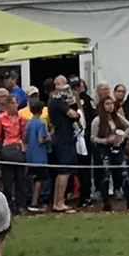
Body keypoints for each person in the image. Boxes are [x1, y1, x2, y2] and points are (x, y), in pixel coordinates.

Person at [90, 97, 129, 212]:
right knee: (106, 175)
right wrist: (106, 140)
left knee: (124, 173)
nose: (110, 106)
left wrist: (122, 136)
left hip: (117, 147)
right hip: (103, 149)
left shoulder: (118, 118)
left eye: (111, 104)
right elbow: (93, 138)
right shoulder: (97, 120)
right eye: (107, 104)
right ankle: (107, 204)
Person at [47, 77, 80, 213]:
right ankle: (59, 202)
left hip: (64, 137)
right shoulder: (56, 101)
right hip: (63, 139)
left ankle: (58, 201)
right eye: (63, 84)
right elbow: (73, 114)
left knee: (64, 170)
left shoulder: (57, 101)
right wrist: (76, 110)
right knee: (64, 171)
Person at [0, 94, 28, 213]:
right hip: (6, 147)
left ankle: (21, 205)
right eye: (12, 103)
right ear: (7, 105)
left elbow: (24, 134)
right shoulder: (1, 118)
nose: (15, 106)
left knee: (20, 179)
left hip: (18, 147)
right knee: (7, 180)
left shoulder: (21, 118)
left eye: (16, 103)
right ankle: (9, 205)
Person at [24, 101, 51, 212]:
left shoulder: (28, 123)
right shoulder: (41, 124)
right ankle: (35, 202)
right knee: (39, 179)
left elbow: (25, 138)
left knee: (31, 178)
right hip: (39, 156)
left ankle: (30, 198)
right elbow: (41, 139)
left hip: (30, 154)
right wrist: (49, 137)